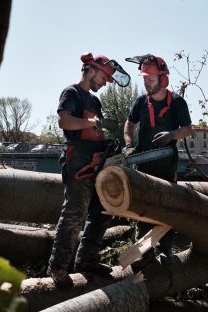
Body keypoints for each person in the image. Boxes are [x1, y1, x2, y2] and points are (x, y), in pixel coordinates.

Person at [47, 52, 130, 286]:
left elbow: (95, 131)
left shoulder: (95, 102)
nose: (105, 83)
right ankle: (58, 266)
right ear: (91, 70)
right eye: (104, 78)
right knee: (74, 214)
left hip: (95, 160)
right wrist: (92, 123)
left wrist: (107, 143)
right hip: (77, 160)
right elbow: (65, 122)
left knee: (102, 210)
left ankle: (85, 259)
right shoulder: (72, 93)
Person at [123, 54, 192, 262]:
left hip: (167, 165)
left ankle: (165, 249)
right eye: (144, 79)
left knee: (166, 210)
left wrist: (171, 135)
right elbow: (129, 123)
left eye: (150, 79)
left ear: (163, 79)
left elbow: (188, 129)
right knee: (142, 210)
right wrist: (128, 145)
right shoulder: (141, 102)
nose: (146, 83)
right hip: (143, 164)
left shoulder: (177, 102)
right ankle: (142, 254)